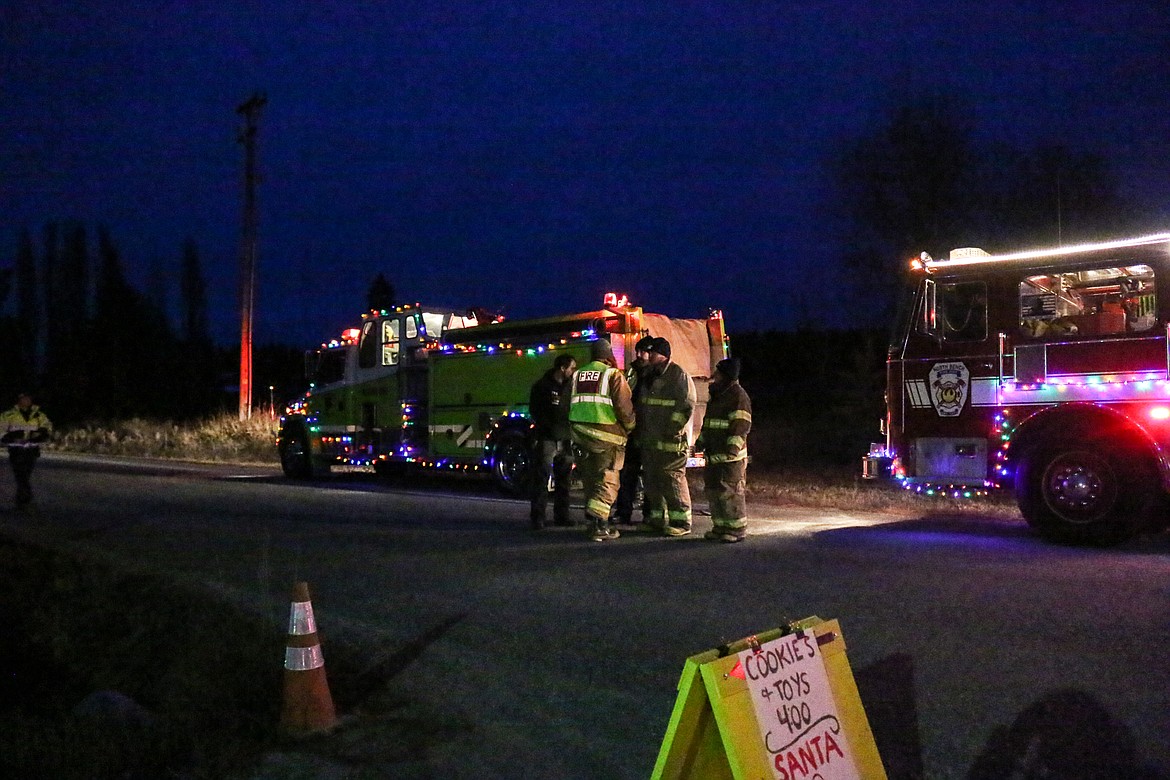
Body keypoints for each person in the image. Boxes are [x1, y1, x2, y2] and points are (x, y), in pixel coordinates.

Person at [568, 338, 635, 541]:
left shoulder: (577, 375)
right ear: (608, 355)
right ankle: (599, 526)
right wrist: (631, 426)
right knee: (608, 480)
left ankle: (596, 523)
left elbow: (565, 405)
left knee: (591, 480)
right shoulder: (613, 375)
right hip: (607, 438)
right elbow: (624, 408)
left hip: (580, 437)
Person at [636, 337, 695, 537]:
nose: (648, 355)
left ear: (664, 354)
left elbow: (685, 404)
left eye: (653, 352)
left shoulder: (678, 375)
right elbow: (643, 406)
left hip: (671, 441)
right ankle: (656, 519)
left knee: (673, 479)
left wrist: (673, 428)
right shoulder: (649, 375)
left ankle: (681, 522)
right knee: (652, 480)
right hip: (651, 440)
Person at [698, 358, 752, 542]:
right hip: (714, 453)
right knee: (714, 491)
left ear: (726, 375)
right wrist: (701, 441)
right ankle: (720, 527)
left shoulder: (738, 396)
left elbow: (741, 425)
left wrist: (732, 449)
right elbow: (709, 423)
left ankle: (736, 529)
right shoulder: (719, 395)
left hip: (730, 458)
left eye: (718, 373)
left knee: (730, 492)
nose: (715, 376)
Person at [528, 352, 578, 530]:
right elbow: (535, 411)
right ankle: (538, 517)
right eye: (571, 368)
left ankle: (562, 516)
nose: (574, 371)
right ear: (562, 368)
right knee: (541, 479)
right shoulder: (542, 387)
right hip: (547, 439)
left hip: (566, 439)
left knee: (564, 480)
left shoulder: (571, 387)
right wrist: (548, 428)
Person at [610, 335, 655, 526]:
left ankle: (650, 514)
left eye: (643, 351)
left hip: (650, 432)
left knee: (651, 476)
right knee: (627, 475)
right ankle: (623, 512)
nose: (638, 355)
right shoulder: (632, 372)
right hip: (632, 432)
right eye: (638, 351)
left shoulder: (657, 375)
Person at [1, 392, 53, 509]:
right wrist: (11, 437)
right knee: (20, 473)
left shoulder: (39, 415)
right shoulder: (9, 415)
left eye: (28, 398)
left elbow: (47, 427)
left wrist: (41, 434)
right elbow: (1, 430)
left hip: (31, 448)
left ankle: (22, 497)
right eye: (24, 398)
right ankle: (25, 496)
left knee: (25, 473)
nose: (26, 401)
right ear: (19, 400)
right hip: (16, 449)